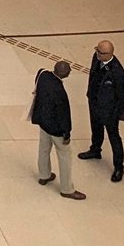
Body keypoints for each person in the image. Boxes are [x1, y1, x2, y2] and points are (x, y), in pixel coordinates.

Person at [30, 60, 86, 200]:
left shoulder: (43, 75)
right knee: (65, 157)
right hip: (56, 129)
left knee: (43, 150)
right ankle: (66, 188)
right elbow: (63, 115)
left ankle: (44, 175)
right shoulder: (59, 92)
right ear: (65, 73)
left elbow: (40, 72)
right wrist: (67, 132)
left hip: (43, 122)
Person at [78, 40, 124, 181]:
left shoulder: (118, 73)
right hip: (94, 103)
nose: (97, 54)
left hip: (109, 110)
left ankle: (119, 167)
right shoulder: (96, 58)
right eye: (97, 51)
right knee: (96, 128)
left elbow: (122, 97)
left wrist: (115, 114)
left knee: (114, 137)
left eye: (100, 53)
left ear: (109, 54)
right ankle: (95, 149)